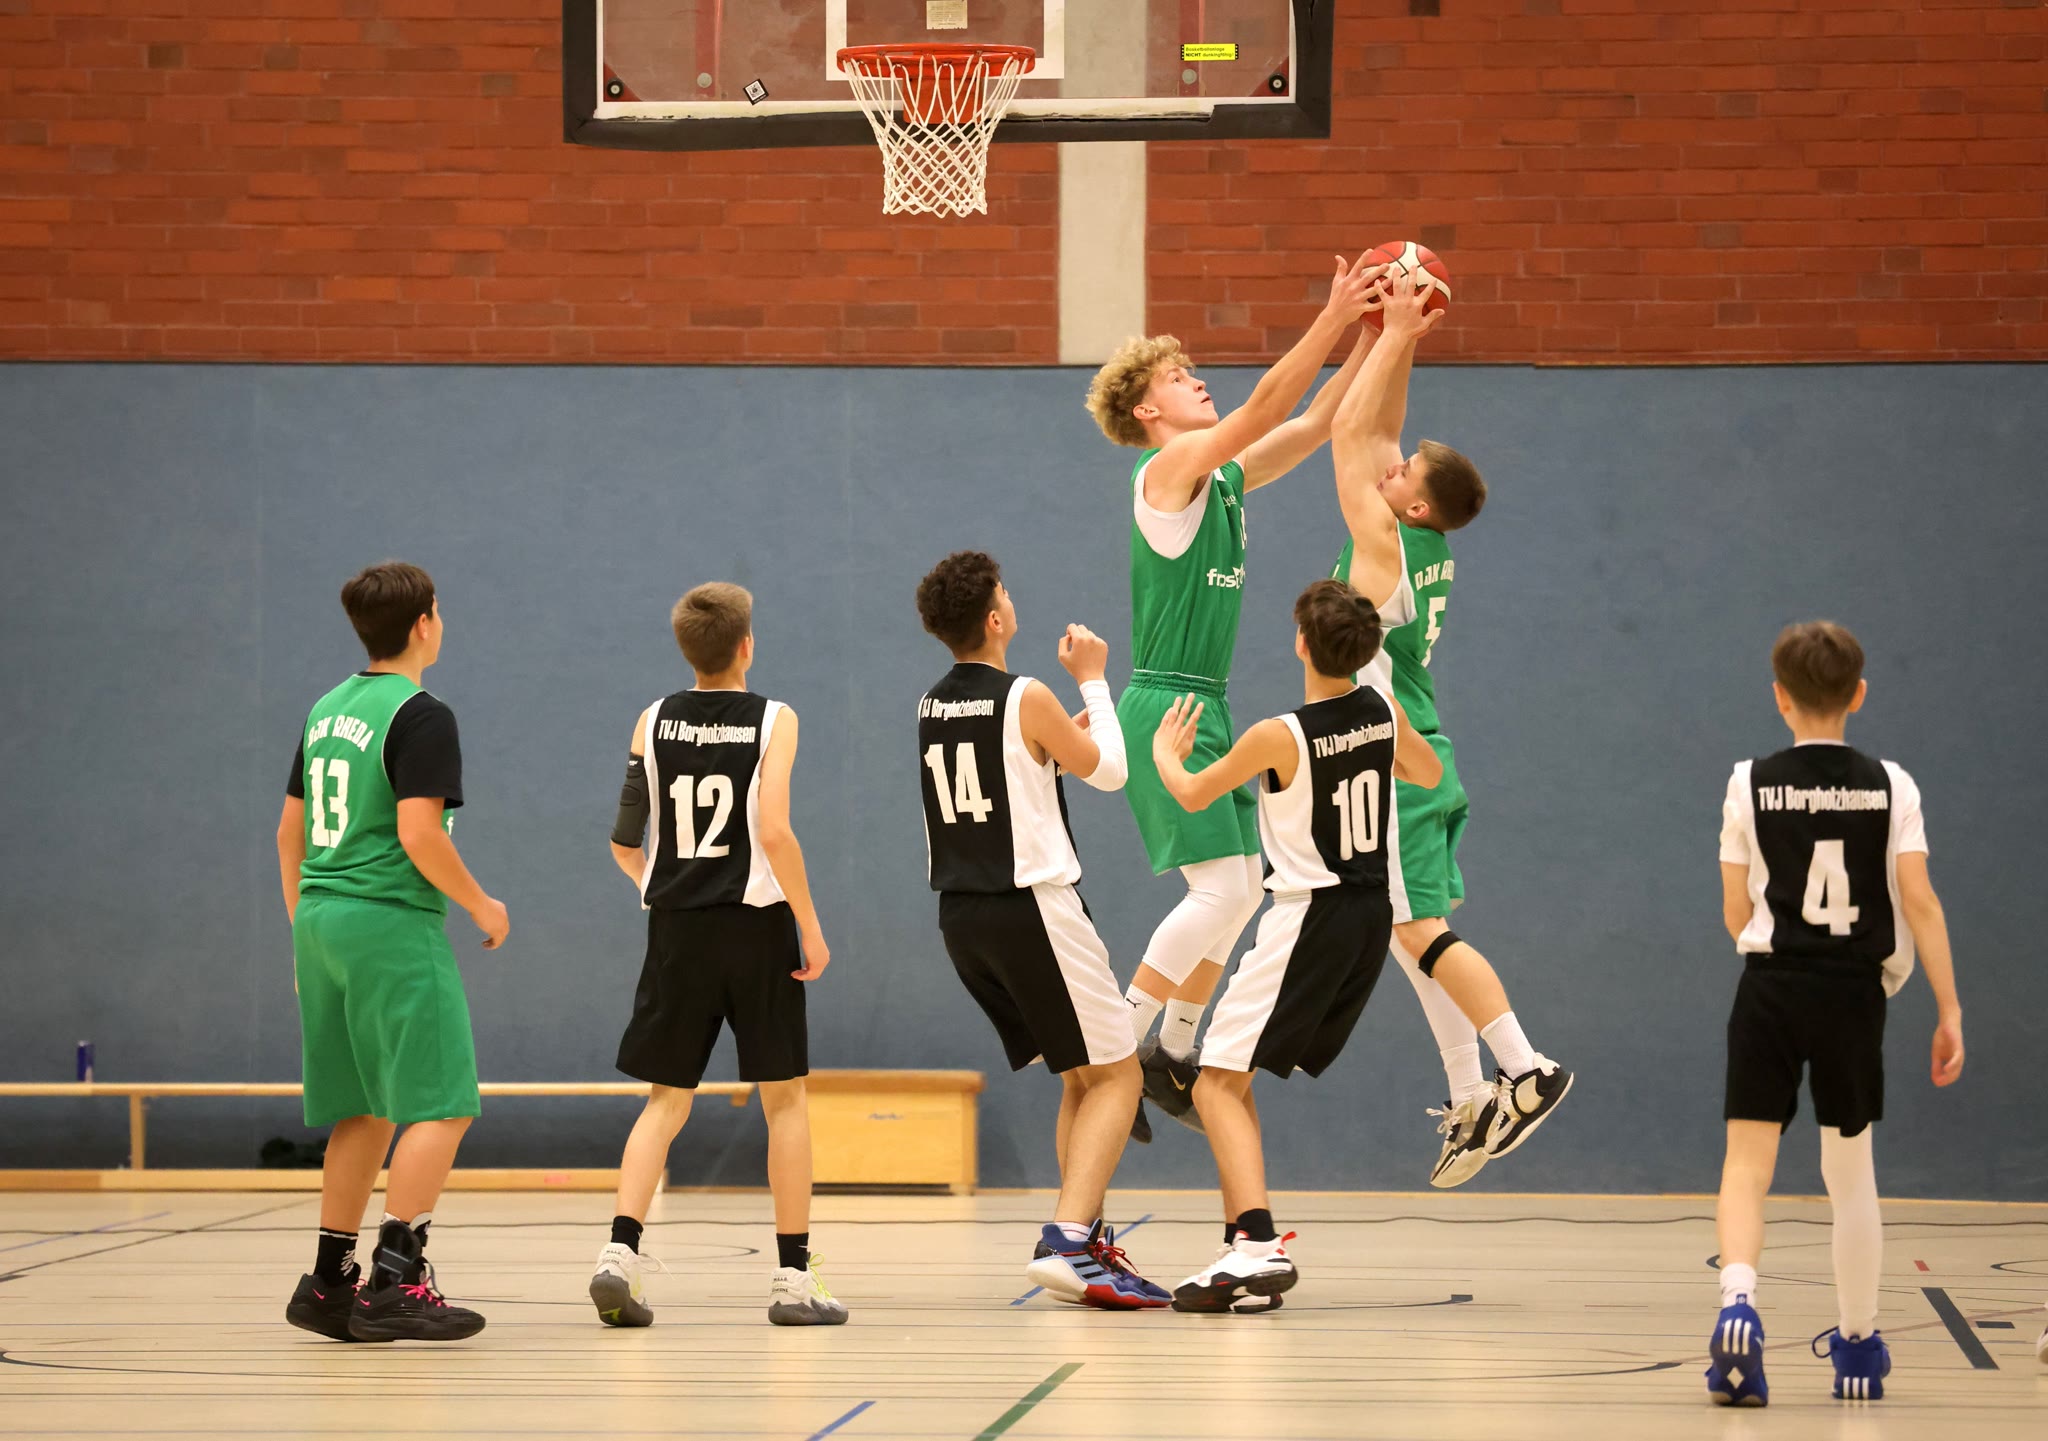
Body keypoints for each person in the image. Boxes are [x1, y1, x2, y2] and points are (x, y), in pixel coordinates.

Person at [1083, 255, 1386, 1140]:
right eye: (1179, 377)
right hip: (1165, 705)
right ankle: (1120, 1038)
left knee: (1243, 885)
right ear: (1149, 412)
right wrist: (1334, 313)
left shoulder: (1222, 479)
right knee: (1222, 892)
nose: (1197, 380)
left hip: (1202, 700)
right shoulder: (1166, 472)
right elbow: (1263, 409)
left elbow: (1315, 420)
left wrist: (1375, 337)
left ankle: (1173, 1048)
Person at [1327, 269, 1572, 1188]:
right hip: (1418, 747)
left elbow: (1348, 436)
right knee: (1409, 929)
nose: (1390, 470)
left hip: (1400, 756)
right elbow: (1379, 435)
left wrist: (1392, 329)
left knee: (1417, 929)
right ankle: (1470, 1094)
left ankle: (1526, 1067)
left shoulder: (1384, 541)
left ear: (1416, 505)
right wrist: (1401, 339)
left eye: (1404, 477)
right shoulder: (1415, 535)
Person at [1151, 579, 1442, 1311]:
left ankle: (1255, 1246)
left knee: (1212, 1082)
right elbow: (1429, 772)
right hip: (1369, 913)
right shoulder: (1381, 710)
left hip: (1309, 914)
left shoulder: (1278, 734)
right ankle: (1243, 1244)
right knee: (1233, 1077)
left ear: (1301, 644)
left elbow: (1191, 792)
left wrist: (1164, 752)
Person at [1707, 621, 1964, 1405]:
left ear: (1779, 697)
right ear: (1858, 694)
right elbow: (1919, 899)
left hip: (1771, 985)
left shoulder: (1748, 781)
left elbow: (1734, 910)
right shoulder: (1894, 785)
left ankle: (1738, 1304)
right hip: (1854, 993)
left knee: (1747, 1165)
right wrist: (1949, 1007)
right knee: (1850, 1176)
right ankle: (1856, 1347)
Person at [913, 550, 1167, 1308]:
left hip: (963, 914)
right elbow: (1113, 772)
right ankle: (1066, 1239)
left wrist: (1054, 749)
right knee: (1119, 1073)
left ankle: (1082, 1243)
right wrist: (1093, 678)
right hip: (1031, 907)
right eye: (1006, 592)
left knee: (1080, 1074)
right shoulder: (1026, 694)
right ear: (996, 619)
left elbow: (1004, 778)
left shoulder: (930, 704)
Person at [590, 583, 846, 1328]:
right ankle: (793, 1281)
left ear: (686, 649)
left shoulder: (652, 719)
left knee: (665, 1101)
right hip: (757, 928)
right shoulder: (775, 718)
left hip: (677, 930)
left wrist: (662, 885)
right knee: (784, 1099)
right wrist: (811, 924)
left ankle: (618, 1255)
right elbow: (775, 831)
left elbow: (623, 842)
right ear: (746, 646)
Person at [279, 561, 507, 1344]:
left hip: (320, 920)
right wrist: (480, 902)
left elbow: (288, 833)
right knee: (444, 1103)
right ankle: (394, 1281)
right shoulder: (420, 713)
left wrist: (305, 928)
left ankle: (328, 1280)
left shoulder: (326, 708)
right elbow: (418, 833)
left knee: (364, 1107)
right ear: (423, 623)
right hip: (388, 921)